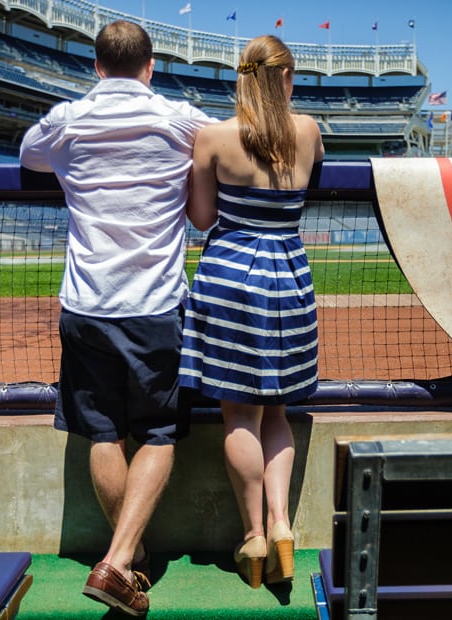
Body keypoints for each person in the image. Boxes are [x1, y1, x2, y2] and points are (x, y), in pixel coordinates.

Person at [19, 20, 214, 617]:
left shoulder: (67, 119)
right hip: (155, 305)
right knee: (156, 432)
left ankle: (130, 558)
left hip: (86, 303)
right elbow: (218, 163)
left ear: (97, 67)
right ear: (150, 66)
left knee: (103, 432)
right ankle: (119, 560)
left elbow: (29, 155)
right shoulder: (182, 118)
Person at [178, 35, 325, 589]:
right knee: (277, 411)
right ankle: (283, 525)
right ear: (286, 78)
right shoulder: (309, 131)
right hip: (288, 276)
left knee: (238, 415)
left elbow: (200, 217)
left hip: (228, 277)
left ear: (241, 78)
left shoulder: (212, 137)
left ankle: (252, 536)